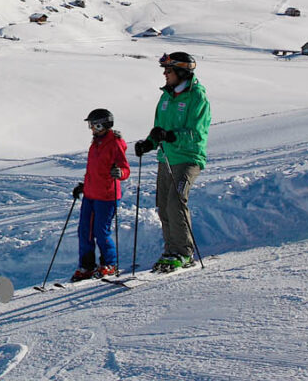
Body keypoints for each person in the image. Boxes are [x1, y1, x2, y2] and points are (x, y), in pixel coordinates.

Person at [132, 51, 212, 272]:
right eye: (164, 70)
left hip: (187, 158)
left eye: (168, 71)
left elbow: (197, 133)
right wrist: (149, 143)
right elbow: (159, 128)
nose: (165, 74)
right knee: (164, 207)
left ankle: (184, 252)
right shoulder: (166, 97)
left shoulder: (197, 97)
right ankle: (171, 250)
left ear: (180, 71)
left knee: (176, 203)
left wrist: (170, 136)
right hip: (166, 158)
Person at [72, 108, 129, 281]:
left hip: (107, 195)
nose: (91, 129)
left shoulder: (115, 143)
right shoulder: (95, 143)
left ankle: (109, 264)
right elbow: (94, 168)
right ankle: (87, 266)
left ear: (102, 124)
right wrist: (85, 185)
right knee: (84, 231)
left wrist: (120, 173)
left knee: (101, 232)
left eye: (93, 125)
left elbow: (125, 168)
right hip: (90, 194)